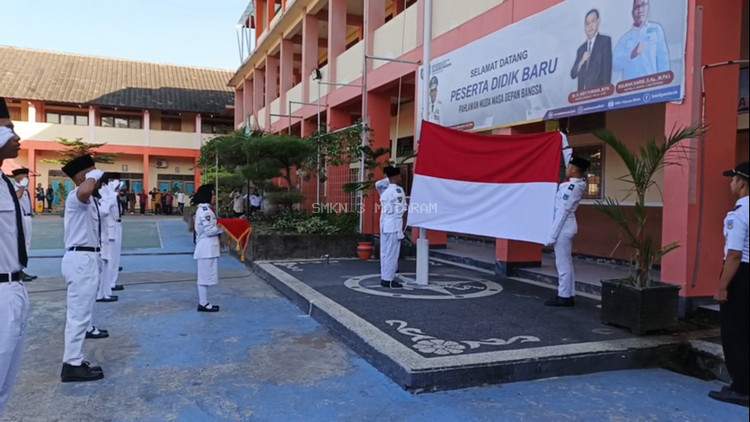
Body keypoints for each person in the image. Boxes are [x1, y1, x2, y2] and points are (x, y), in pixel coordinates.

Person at [60, 154, 106, 382]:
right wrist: (92, 177)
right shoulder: (75, 196)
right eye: (92, 172)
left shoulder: (89, 200)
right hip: (80, 260)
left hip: (87, 259)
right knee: (78, 315)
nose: (97, 176)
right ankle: (72, 364)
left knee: (82, 313)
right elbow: (85, 191)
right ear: (82, 175)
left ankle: (75, 359)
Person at [708, 162, 749, 407]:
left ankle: (741, 388)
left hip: (741, 274)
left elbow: (734, 254)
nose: (730, 183)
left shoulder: (739, 213)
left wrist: (722, 286)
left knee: (735, 333)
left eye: (733, 179)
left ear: (742, 183)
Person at [0, 106, 31, 411]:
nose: (17, 135)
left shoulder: (5, 182)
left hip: (14, 287)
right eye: (8, 128)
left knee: (5, 388)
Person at [545, 156, 590, 307]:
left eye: (569, 166)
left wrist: (552, 235)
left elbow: (562, 212)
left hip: (563, 227)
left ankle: (563, 296)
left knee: (562, 263)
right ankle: (568, 294)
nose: (567, 168)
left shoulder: (572, 187)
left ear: (575, 169)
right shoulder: (574, 184)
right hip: (566, 226)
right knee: (567, 263)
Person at [613, 0, 670, 81]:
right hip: (632, 88)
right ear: (632, 12)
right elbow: (615, 64)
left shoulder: (656, 29)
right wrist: (631, 54)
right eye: (636, 7)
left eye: (643, 5)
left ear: (648, 7)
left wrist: (664, 85)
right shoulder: (625, 38)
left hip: (652, 86)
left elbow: (663, 61)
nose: (640, 10)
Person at [192, 184, 223, 312]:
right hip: (206, 248)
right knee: (204, 278)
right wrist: (223, 227)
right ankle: (203, 303)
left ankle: (204, 302)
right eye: (213, 194)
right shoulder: (205, 211)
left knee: (205, 276)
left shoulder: (205, 209)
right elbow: (210, 230)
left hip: (208, 248)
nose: (214, 196)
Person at [570, 9, 612, 91]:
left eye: (593, 21)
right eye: (587, 23)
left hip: (598, 95)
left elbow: (607, 71)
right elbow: (573, 74)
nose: (590, 26)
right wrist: (582, 61)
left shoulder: (605, 41)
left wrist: (605, 95)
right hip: (582, 98)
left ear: (598, 21)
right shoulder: (581, 49)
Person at [379, 166, 406, 288]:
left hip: (385, 225)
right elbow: (401, 209)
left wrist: (388, 178)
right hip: (394, 226)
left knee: (384, 252)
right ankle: (388, 280)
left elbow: (378, 183)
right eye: (399, 175)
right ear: (395, 176)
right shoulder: (398, 191)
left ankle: (385, 277)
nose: (401, 177)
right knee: (392, 253)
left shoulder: (384, 190)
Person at [12, 168, 37, 281]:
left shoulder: (25, 190)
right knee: (21, 243)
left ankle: (22, 269)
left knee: (27, 243)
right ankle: (18, 270)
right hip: (20, 218)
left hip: (27, 217)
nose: (26, 178)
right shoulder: (14, 188)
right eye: (24, 176)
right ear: (18, 177)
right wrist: (22, 187)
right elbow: (16, 197)